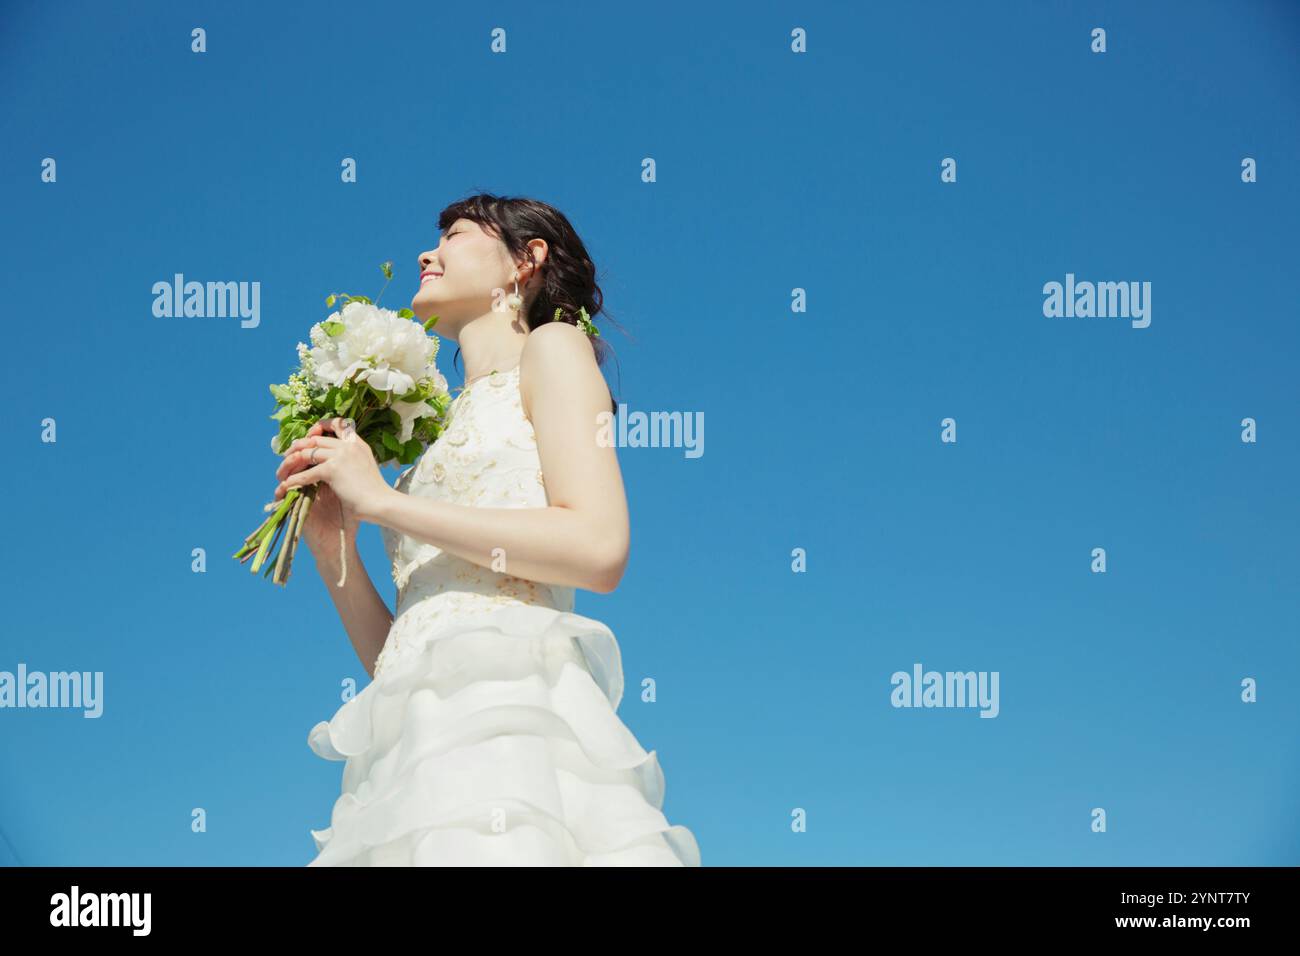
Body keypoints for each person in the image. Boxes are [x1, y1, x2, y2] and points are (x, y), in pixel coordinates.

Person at [272, 193, 701, 866]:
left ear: (525, 262)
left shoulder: (553, 350)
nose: (426, 252)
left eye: (455, 234)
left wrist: (383, 502)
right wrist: (336, 550)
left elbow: (599, 547)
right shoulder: (437, 433)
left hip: (515, 736)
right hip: (416, 754)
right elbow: (408, 658)